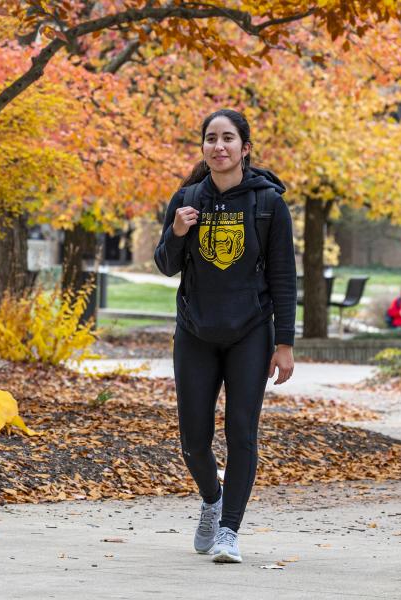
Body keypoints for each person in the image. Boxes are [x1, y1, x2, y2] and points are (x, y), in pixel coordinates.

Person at [153, 108, 297, 564]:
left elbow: (283, 277)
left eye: (228, 138)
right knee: (193, 440)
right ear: (204, 148)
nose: (219, 146)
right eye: (211, 138)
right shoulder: (186, 199)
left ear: (244, 148)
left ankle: (230, 531)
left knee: (241, 432)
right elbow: (165, 264)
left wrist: (285, 344)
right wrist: (177, 231)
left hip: (250, 334)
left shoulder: (269, 204)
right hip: (195, 331)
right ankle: (212, 501)